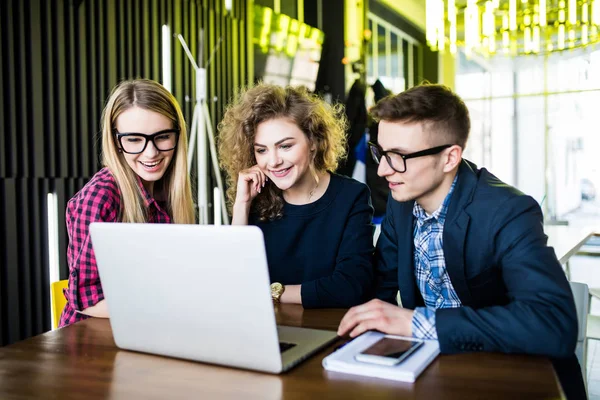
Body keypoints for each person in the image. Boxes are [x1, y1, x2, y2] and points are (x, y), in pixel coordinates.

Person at [336, 84, 584, 398]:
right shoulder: (401, 203)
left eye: (398, 156)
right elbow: (377, 290)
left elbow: (553, 324)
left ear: (450, 157)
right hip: (434, 373)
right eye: (380, 153)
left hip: (520, 380)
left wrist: (418, 323)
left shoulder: (506, 211)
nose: (383, 170)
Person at [218, 83, 374, 308]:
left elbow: (351, 286)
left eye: (285, 146)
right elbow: (233, 282)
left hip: (329, 331)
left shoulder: (351, 197)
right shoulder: (257, 198)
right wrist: (242, 206)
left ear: (313, 142)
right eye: (261, 150)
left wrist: (271, 292)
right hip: (267, 329)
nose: (273, 161)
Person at [59, 79, 195, 327]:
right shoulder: (100, 197)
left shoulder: (168, 192)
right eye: (134, 140)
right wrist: (170, 307)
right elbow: (85, 299)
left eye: (162, 137)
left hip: (144, 330)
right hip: (90, 342)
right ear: (116, 141)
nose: (151, 153)